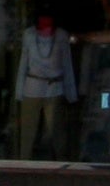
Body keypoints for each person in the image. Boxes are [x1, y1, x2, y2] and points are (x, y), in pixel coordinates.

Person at [14, 10, 78, 161]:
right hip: (32, 88)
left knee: (57, 134)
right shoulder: (29, 35)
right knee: (28, 134)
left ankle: (62, 164)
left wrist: (71, 95)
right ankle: (23, 165)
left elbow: (67, 65)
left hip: (54, 89)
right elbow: (23, 63)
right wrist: (19, 92)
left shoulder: (61, 36)